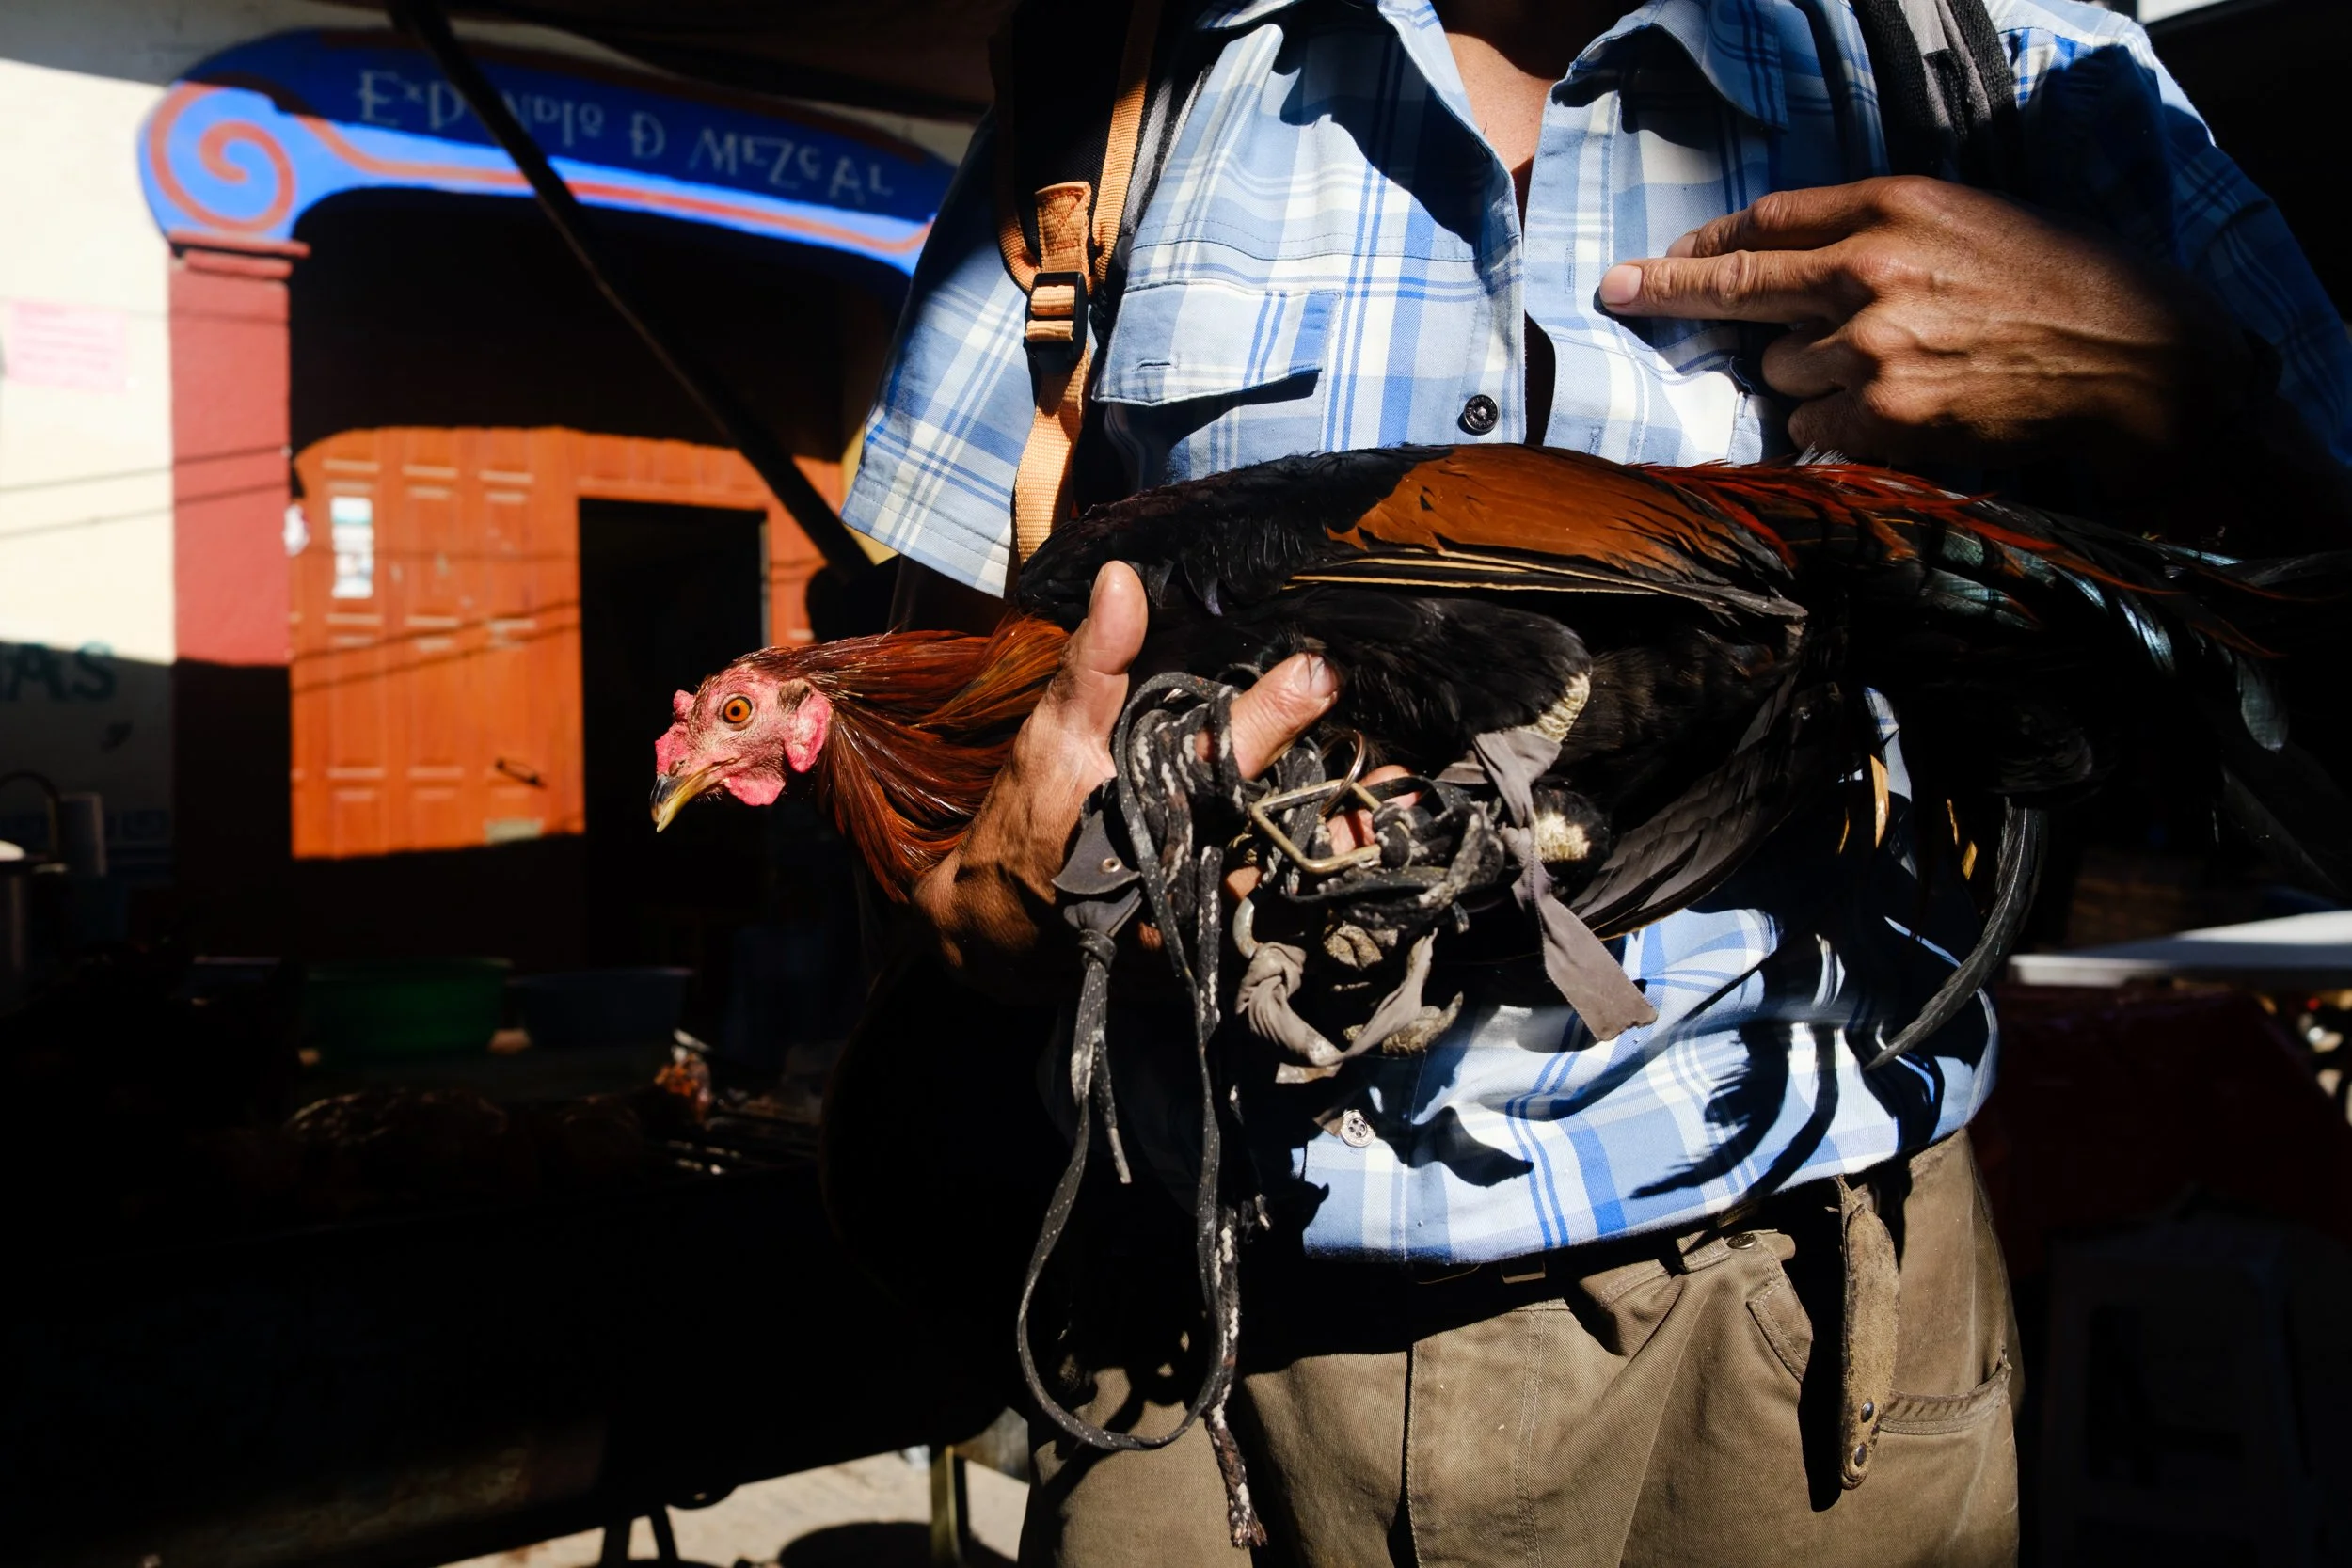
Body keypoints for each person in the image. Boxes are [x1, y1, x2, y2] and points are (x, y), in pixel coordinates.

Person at [840, 1, 2352, 1563]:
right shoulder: (1124, 82)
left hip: (1789, 1359)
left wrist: (2182, 382)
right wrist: (998, 909)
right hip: (1197, 1355)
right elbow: (947, 750)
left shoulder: (2007, 61)